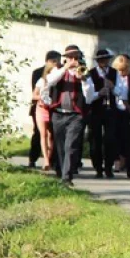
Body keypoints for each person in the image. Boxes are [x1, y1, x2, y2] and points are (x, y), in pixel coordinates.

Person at [44, 45, 95, 186]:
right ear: (65, 59)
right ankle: (62, 172)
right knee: (59, 146)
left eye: (76, 58)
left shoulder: (85, 73)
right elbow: (50, 81)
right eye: (70, 57)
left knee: (70, 146)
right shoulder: (58, 70)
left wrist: (83, 79)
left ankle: (67, 177)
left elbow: (89, 97)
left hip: (75, 115)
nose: (73, 60)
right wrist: (66, 68)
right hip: (58, 114)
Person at [86, 49, 118, 178]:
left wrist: (113, 87)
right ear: (97, 61)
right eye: (101, 60)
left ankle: (109, 167)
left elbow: (122, 92)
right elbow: (88, 96)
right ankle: (98, 168)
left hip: (110, 110)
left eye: (106, 59)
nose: (104, 62)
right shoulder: (90, 74)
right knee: (95, 140)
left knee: (110, 139)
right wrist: (99, 93)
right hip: (95, 110)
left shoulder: (114, 73)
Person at [110, 55, 130, 178]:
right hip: (114, 111)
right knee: (114, 139)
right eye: (119, 69)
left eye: (124, 69)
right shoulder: (112, 79)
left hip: (128, 112)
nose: (122, 72)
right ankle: (116, 162)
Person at [29, 50, 60, 168]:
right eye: (53, 61)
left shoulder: (60, 72)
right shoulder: (38, 73)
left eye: (58, 61)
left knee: (53, 134)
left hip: (53, 107)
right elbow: (35, 91)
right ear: (47, 61)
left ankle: (52, 159)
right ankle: (33, 158)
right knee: (39, 134)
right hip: (40, 106)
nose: (56, 63)